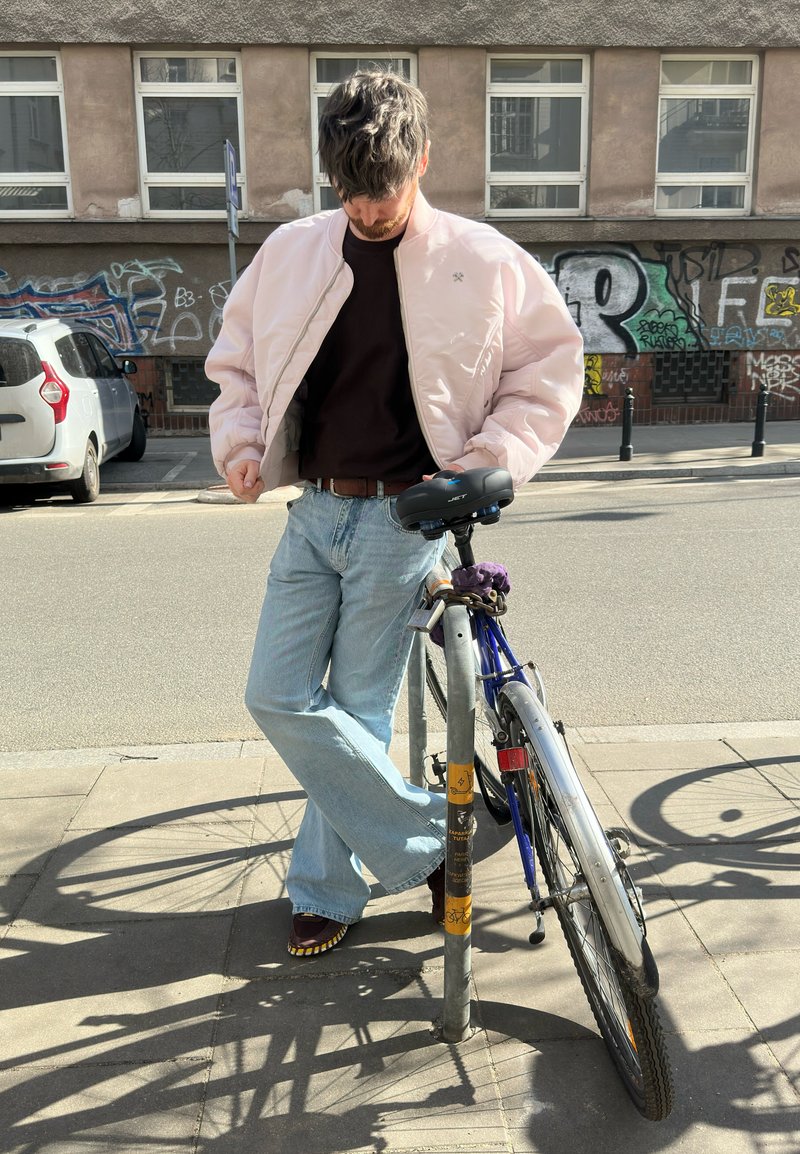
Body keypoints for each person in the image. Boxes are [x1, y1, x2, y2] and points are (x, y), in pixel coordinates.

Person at [205, 70, 584, 958]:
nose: (368, 210)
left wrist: (489, 461)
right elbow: (238, 362)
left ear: (423, 161)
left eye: (384, 189)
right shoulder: (292, 251)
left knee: (357, 708)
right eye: (351, 192)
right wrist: (243, 442)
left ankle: (327, 891)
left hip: (402, 521)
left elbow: (549, 368)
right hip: (313, 511)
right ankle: (435, 840)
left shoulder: (482, 258)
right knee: (275, 695)